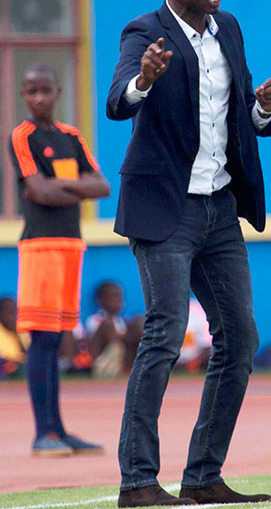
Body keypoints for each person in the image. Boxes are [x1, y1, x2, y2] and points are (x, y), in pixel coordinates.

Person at [106, 0, 271, 507]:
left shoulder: (226, 27)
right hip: (166, 208)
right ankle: (137, 482)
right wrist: (145, 80)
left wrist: (261, 110)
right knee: (164, 334)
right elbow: (117, 101)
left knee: (241, 337)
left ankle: (204, 476)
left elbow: (237, 115)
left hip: (220, 207)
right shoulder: (142, 31)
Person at [9, 62, 111, 456]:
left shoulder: (71, 136)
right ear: (23, 95)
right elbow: (37, 191)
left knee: (58, 340)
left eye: (45, 90)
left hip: (72, 246)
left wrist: (58, 185)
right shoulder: (22, 136)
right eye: (31, 91)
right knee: (42, 339)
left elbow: (101, 186)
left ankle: (59, 430)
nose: (38, 98)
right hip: (40, 247)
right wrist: (74, 188)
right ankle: (43, 433)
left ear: (58, 92)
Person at [85, 281, 144, 375]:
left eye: (120, 297)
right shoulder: (95, 319)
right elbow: (95, 342)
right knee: (109, 327)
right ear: (100, 300)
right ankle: (109, 366)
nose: (118, 301)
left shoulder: (122, 322)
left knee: (139, 321)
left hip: (124, 356)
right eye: (113, 296)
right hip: (102, 356)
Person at [0, 296, 28, 379]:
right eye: (8, 312)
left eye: (14, 312)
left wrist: (16, 333)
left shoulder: (21, 329)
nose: (12, 316)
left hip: (21, 365)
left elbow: (27, 352)